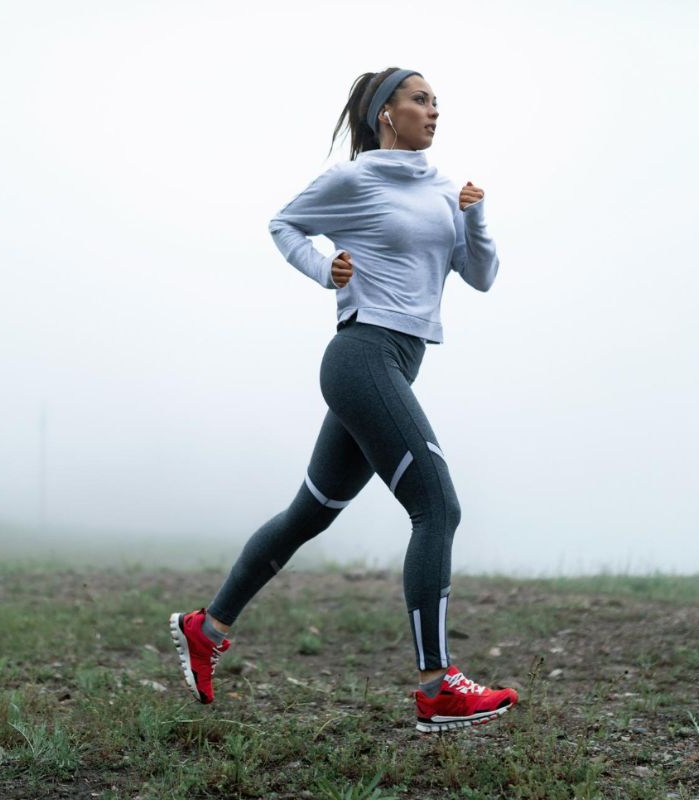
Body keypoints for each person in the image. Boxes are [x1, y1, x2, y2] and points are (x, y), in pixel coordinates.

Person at [170, 67, 517, 733]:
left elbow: (481, 276)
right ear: (386, 113)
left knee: (310, 513)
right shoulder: (355, 181)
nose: (433, 111)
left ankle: (206, 627)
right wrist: (320, 269)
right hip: (362, 358)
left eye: (437, 102)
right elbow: (284, 224)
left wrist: (476, 217)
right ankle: (437, 687)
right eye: (420, 100)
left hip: (394, 366)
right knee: (437, 506)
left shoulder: (447, 190)